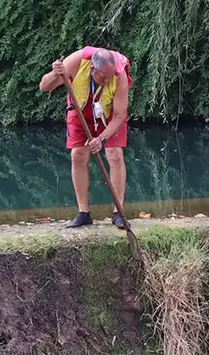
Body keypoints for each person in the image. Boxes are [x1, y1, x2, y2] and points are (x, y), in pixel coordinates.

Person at [38, 45, 132, 230]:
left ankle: (118, 213)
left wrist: (102, 139)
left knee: (114, 154)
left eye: (109, 76)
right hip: (81, 110)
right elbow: (44, 86)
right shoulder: (76, 62)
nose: (106, 81)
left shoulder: (118, 73)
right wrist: (55, 74)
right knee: (78, 156)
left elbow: (121, 115)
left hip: (110, 114)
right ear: (92, 68)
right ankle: (83, 213)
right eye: (102, 77)